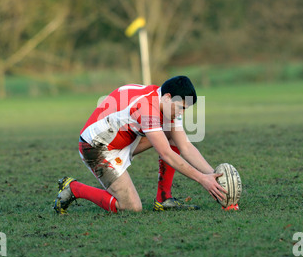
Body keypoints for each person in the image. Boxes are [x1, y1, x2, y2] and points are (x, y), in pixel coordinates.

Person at [53, 75, 226, 214]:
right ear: (167, 97)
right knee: (132, 207)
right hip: (95, 148)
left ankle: (163, 199)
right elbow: (166, 153)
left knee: (171, 135)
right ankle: (74, 188)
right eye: (180, 107)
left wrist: (214, 176)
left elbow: (186, 146)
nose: (181, 113)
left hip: (121, 138)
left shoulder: (163, 101)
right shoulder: (147, 108)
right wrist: (202, 179)